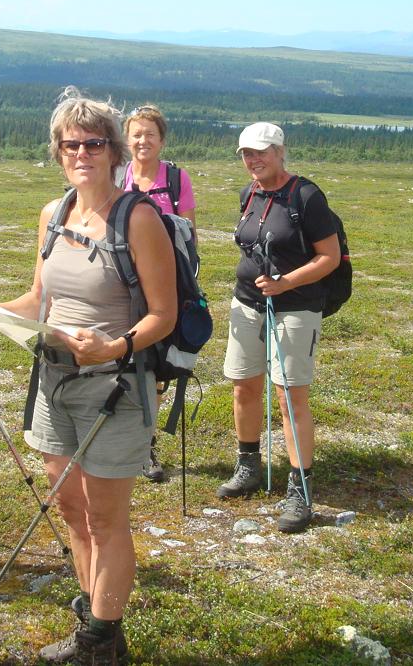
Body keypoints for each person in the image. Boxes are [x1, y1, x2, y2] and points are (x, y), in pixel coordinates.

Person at [0, 88, 175, 665]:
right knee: (70, 507)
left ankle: (100, 641)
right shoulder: (52, 217)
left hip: (116, 386)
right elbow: (37, 297)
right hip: (53, 381)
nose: (81, 153)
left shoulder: (140, 217)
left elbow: (164, 314)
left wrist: (114, 346)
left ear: (113, 151)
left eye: (93, 143)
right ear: (57, 152)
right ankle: (95, 612)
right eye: (70, 144)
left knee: (105, 516)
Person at [217, 122, 341, 533]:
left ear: (280, 151)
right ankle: (248, 465)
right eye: (246, 154)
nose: (253, 160)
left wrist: (286, 283)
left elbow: (330, 257)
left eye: (260, 152)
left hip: (296, 308)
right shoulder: (248, 194)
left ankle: (300, 489)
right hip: (248, 302)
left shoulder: (306, 196)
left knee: (289, 398)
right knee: (243, 385)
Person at [121, 103, 198, 482]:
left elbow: (189, 236)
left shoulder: (176, 177)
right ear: (126, 138)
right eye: (136, 134)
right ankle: (130, 438)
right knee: (124, 359)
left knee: (156, 365)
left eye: (150, 134)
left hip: (166, 284)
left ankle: (145, 445)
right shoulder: (118, 177)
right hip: (122, 283)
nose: (142, 140)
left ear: (162, 140)